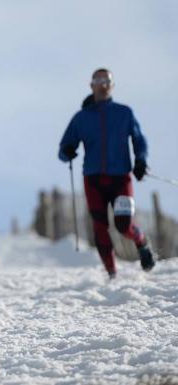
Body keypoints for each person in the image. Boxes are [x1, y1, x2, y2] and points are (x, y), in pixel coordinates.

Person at [58, 68, 155, 279]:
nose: (102, 84)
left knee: (123, 225)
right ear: (91, 85)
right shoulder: (81, 118)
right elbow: (64, 147)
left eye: (107, 80)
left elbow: (139, 140)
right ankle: (112, 273)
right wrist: (67, 152)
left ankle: (141, 241)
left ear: (112, 86)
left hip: (120, 177)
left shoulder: (124, 112)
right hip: (93, 179)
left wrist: (141, 161)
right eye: (98, 80)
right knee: (100, 226)